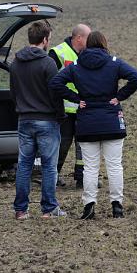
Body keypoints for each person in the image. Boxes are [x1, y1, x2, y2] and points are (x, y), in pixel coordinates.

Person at [50, 31, 137, 218]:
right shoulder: (114, 63)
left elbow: (55, 82)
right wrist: (119, 96)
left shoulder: (76, 65)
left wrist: (76, 98)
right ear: (104, 43)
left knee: (90, 168)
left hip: (87, 122)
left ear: (87, 45)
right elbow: (136, 76)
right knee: (115, 166)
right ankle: (117, 206)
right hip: (111, 121)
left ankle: (89, 206)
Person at [9, 20, 66, 219]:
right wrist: (60, 115)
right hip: (47, 121)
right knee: (49, 166)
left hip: (24, 120)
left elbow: (13, 92)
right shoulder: (48, 63)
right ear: (44, 39)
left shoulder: (15, 62)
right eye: (49, 39)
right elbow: (55, 94)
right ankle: (49, 209)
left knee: (24, 165)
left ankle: (20, 210)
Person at [49, 23, 91, 187]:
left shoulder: (88, 54)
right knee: (61, 144)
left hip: (82, 109)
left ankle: (82, 178)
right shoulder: (58, 52)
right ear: (79, 38)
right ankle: (53, 176)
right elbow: (50, 81)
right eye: (88, 37)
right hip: (64, 110)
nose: (90, 41)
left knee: (84, 145)